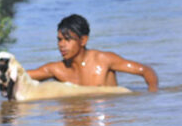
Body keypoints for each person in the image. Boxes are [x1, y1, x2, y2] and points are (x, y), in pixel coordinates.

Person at [27, 14, 158, 91]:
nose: (62, 45)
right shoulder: (56, 70)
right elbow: (20, 75)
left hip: (107, 125)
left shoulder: (104, 60)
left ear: (83, 40)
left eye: (68, 40)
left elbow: (145, 71)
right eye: (59, 40)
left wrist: (152, 94)